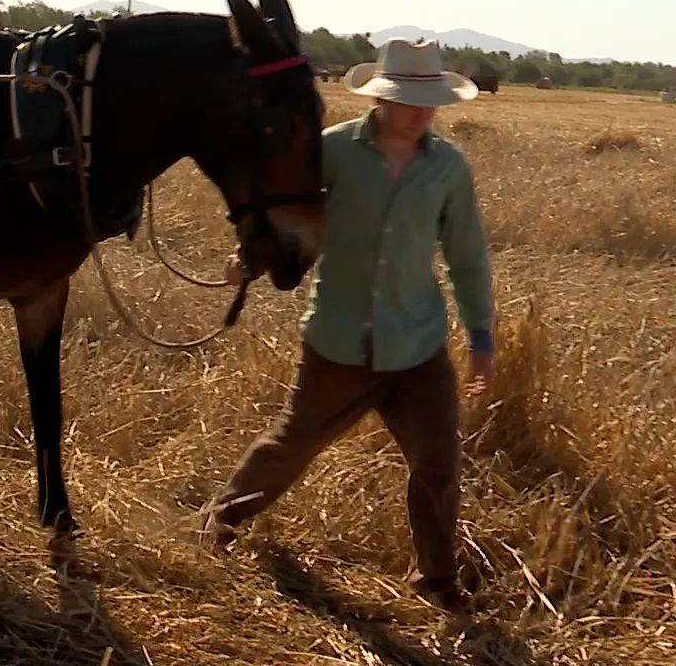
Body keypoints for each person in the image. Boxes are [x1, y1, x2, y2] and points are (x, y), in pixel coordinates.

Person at [200, 38, 495, 617]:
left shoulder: (447, 167)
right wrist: (249, 260)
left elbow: (468, 256)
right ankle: (218, 520)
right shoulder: (331, 151)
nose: (422, 112)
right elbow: (288, 214)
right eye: (410, 100)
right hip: (340, 340)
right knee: (293, 442)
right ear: (381, 98)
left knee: (438, 465)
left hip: (417, 346)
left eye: (430, 100)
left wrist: (481, 338)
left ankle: (436, 579)